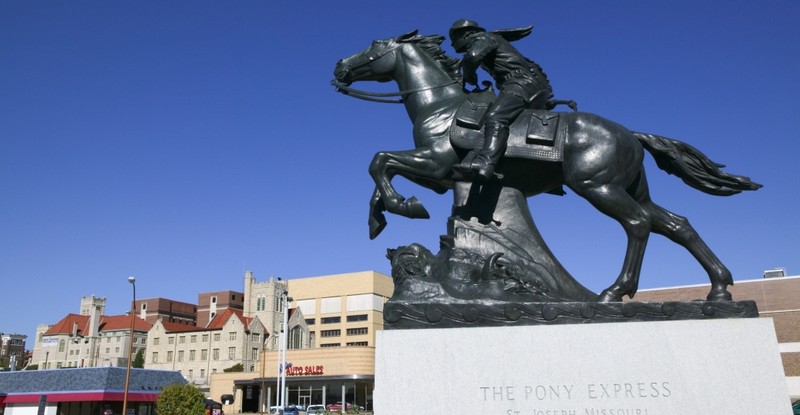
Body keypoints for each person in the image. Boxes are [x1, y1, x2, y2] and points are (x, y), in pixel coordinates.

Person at [450, 19, 553, 182]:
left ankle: (486, 163)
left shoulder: (483, 38)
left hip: (519, 83)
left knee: (496, 116)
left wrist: (469, 76)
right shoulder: (488, 39)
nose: (452, 44)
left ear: (467, 34)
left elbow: (472, 57)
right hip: (517, 84)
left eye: (453, 39)